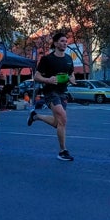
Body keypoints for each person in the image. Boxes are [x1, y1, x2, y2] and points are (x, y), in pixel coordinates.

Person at [26, 33, 76, 161]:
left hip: (62, 92)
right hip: (50, 92)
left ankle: (36, 116)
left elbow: (72, 75)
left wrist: (71, 79)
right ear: (55, 43)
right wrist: (48, 80)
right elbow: (36, 77)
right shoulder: (47, 59)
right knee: (63, 118)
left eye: (66, 41)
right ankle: (62, 151)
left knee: (58, 122)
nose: (65, 43)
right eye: (62, 41)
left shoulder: (69, 59)